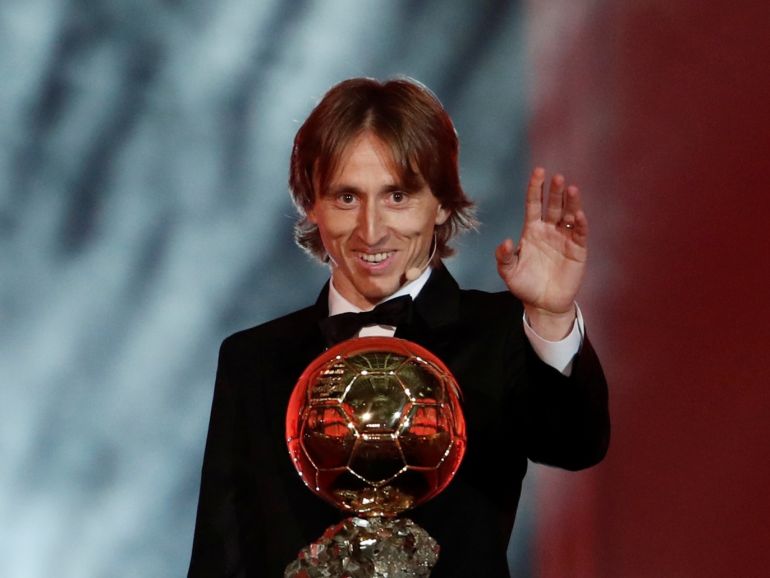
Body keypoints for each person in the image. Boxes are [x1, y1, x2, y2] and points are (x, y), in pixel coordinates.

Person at [188, 77, 610, 577]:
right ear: (311, 203)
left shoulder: (498, 333)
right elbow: (222, 558)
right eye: (347, 197)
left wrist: (551, 316)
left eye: (397, 196)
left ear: (444, 202)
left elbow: (575, 444)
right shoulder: (254, 360)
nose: (371, 230)